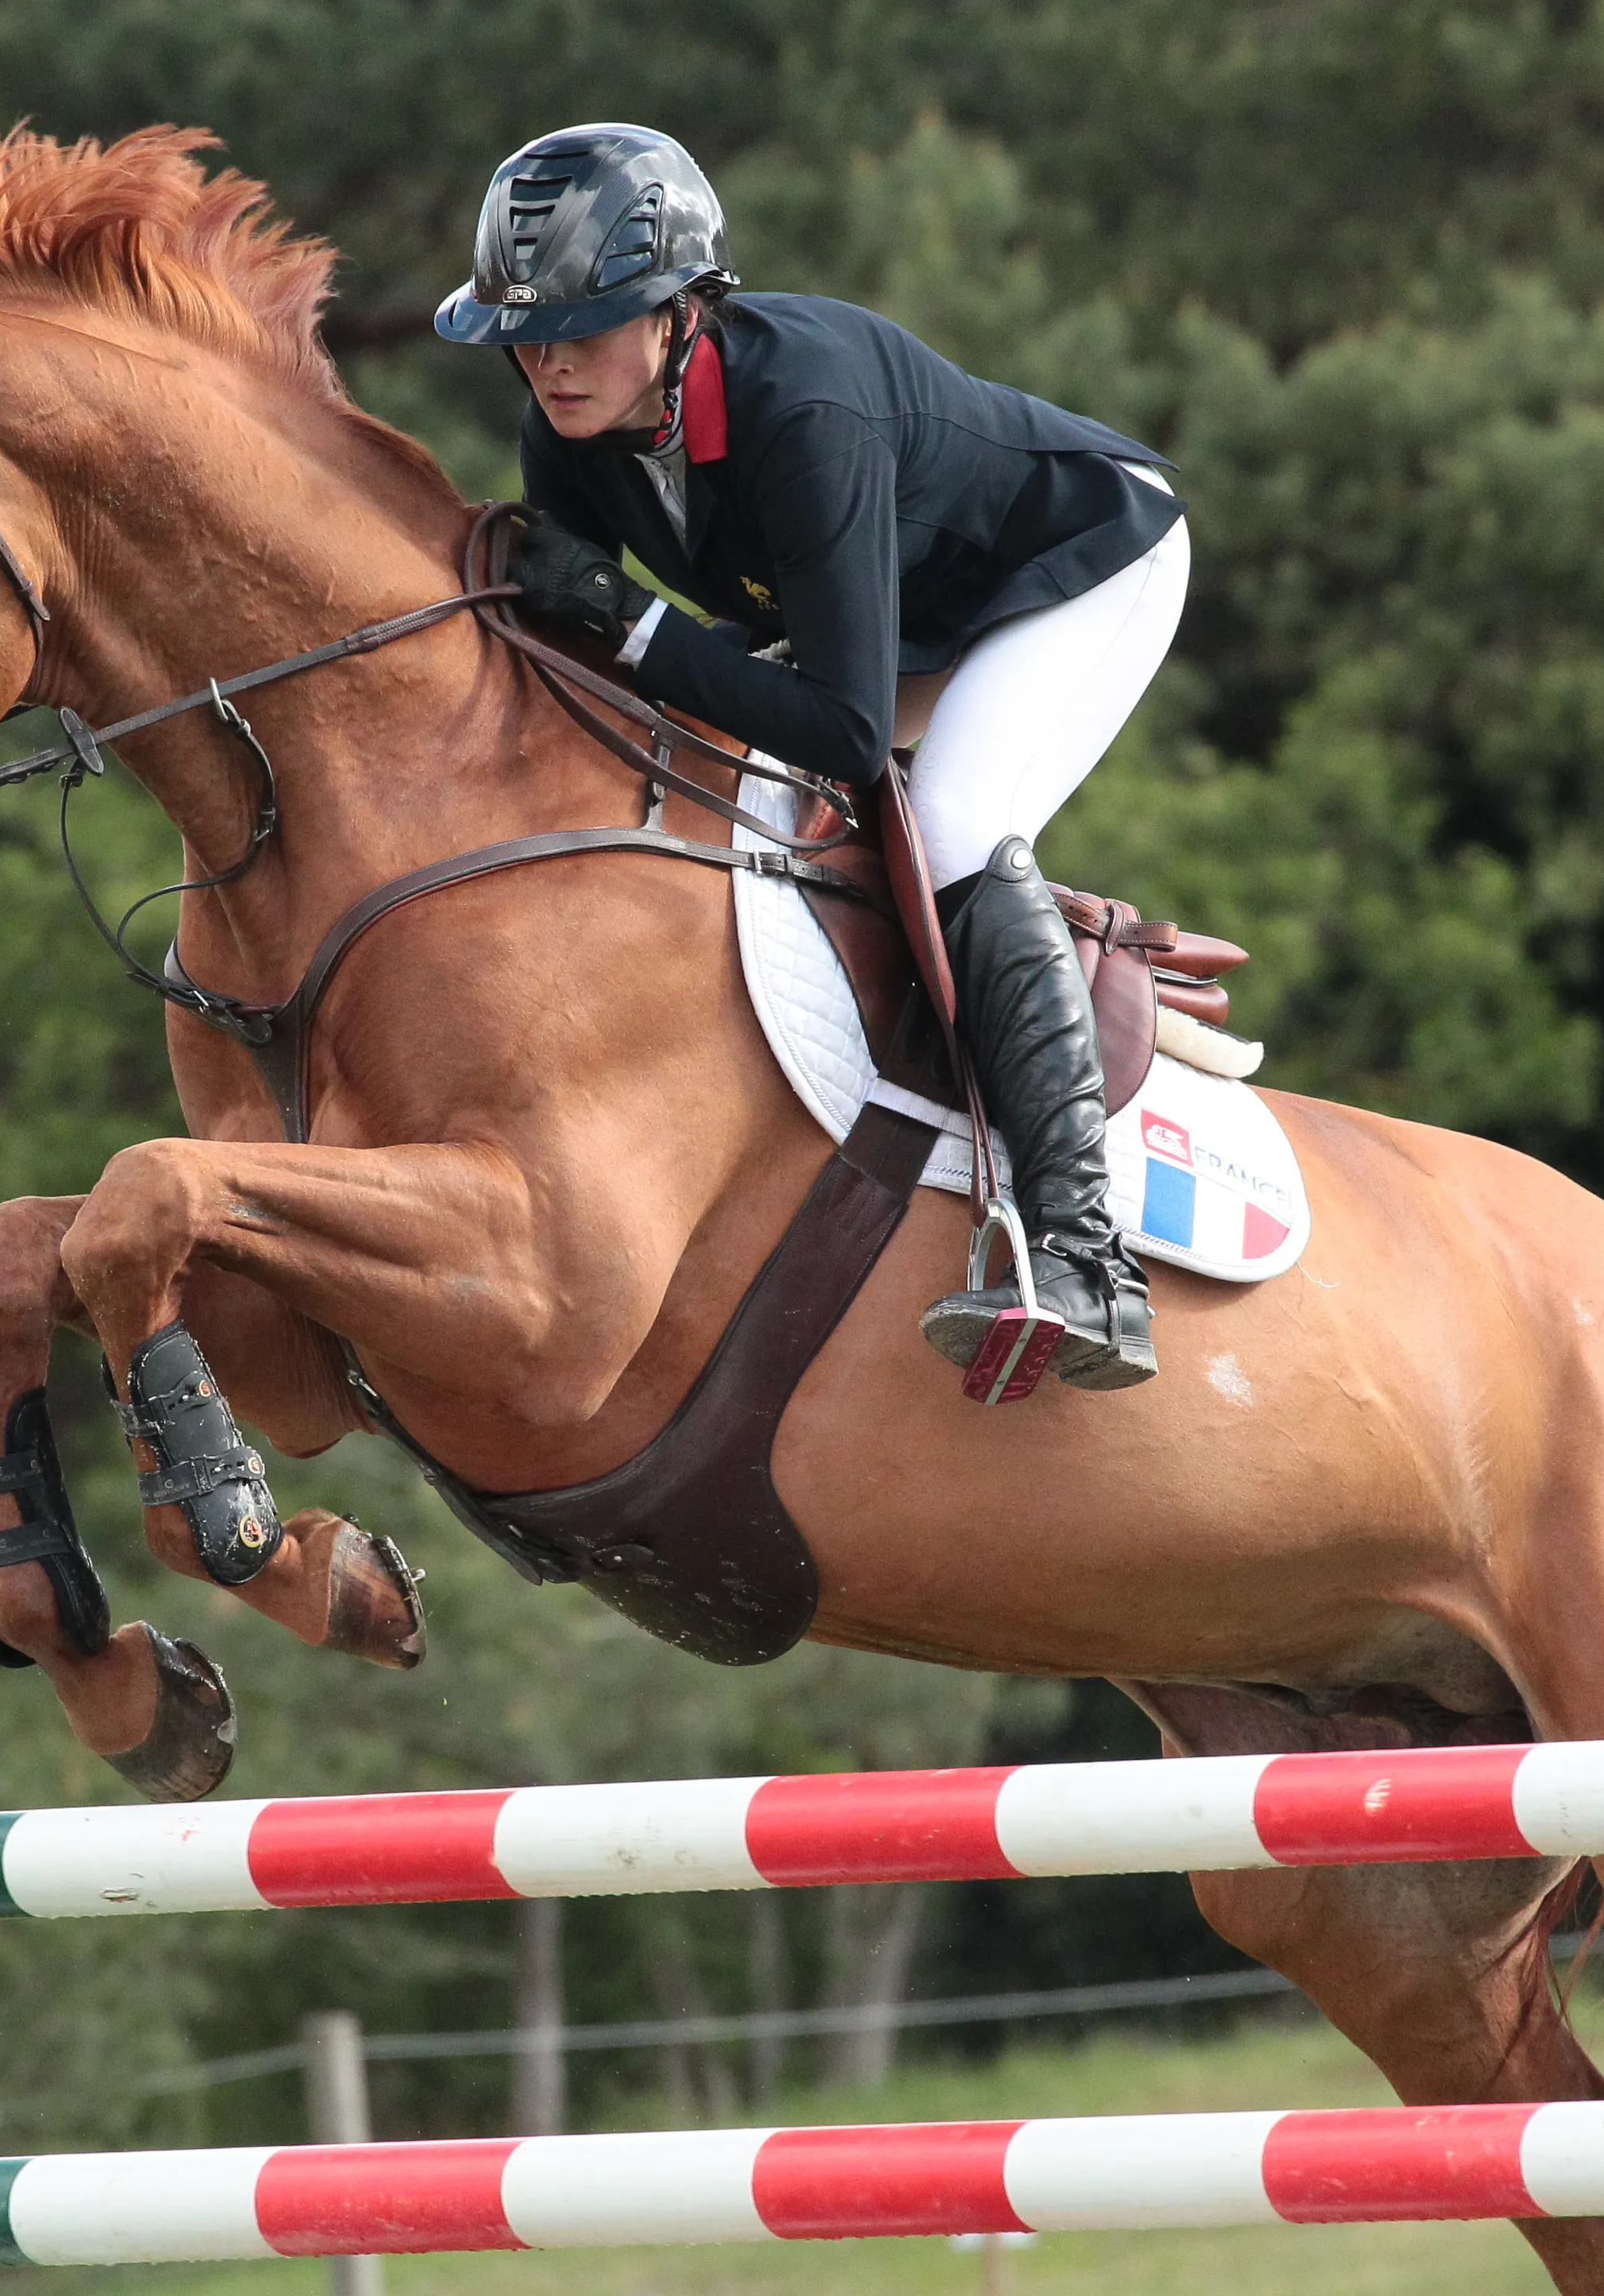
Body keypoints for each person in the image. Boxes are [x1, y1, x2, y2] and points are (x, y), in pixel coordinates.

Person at [436, 123, 1191, 1390]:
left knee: (956, 822)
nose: (549, 362)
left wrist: (633, 621)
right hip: (891, 613)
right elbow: (594, 672)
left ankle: (1085, 1258)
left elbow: (839, 722)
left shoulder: (804, 408)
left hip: (1078, 568)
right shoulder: (565, 427)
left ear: (680, 313)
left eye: (585, 326)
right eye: (525, 334)